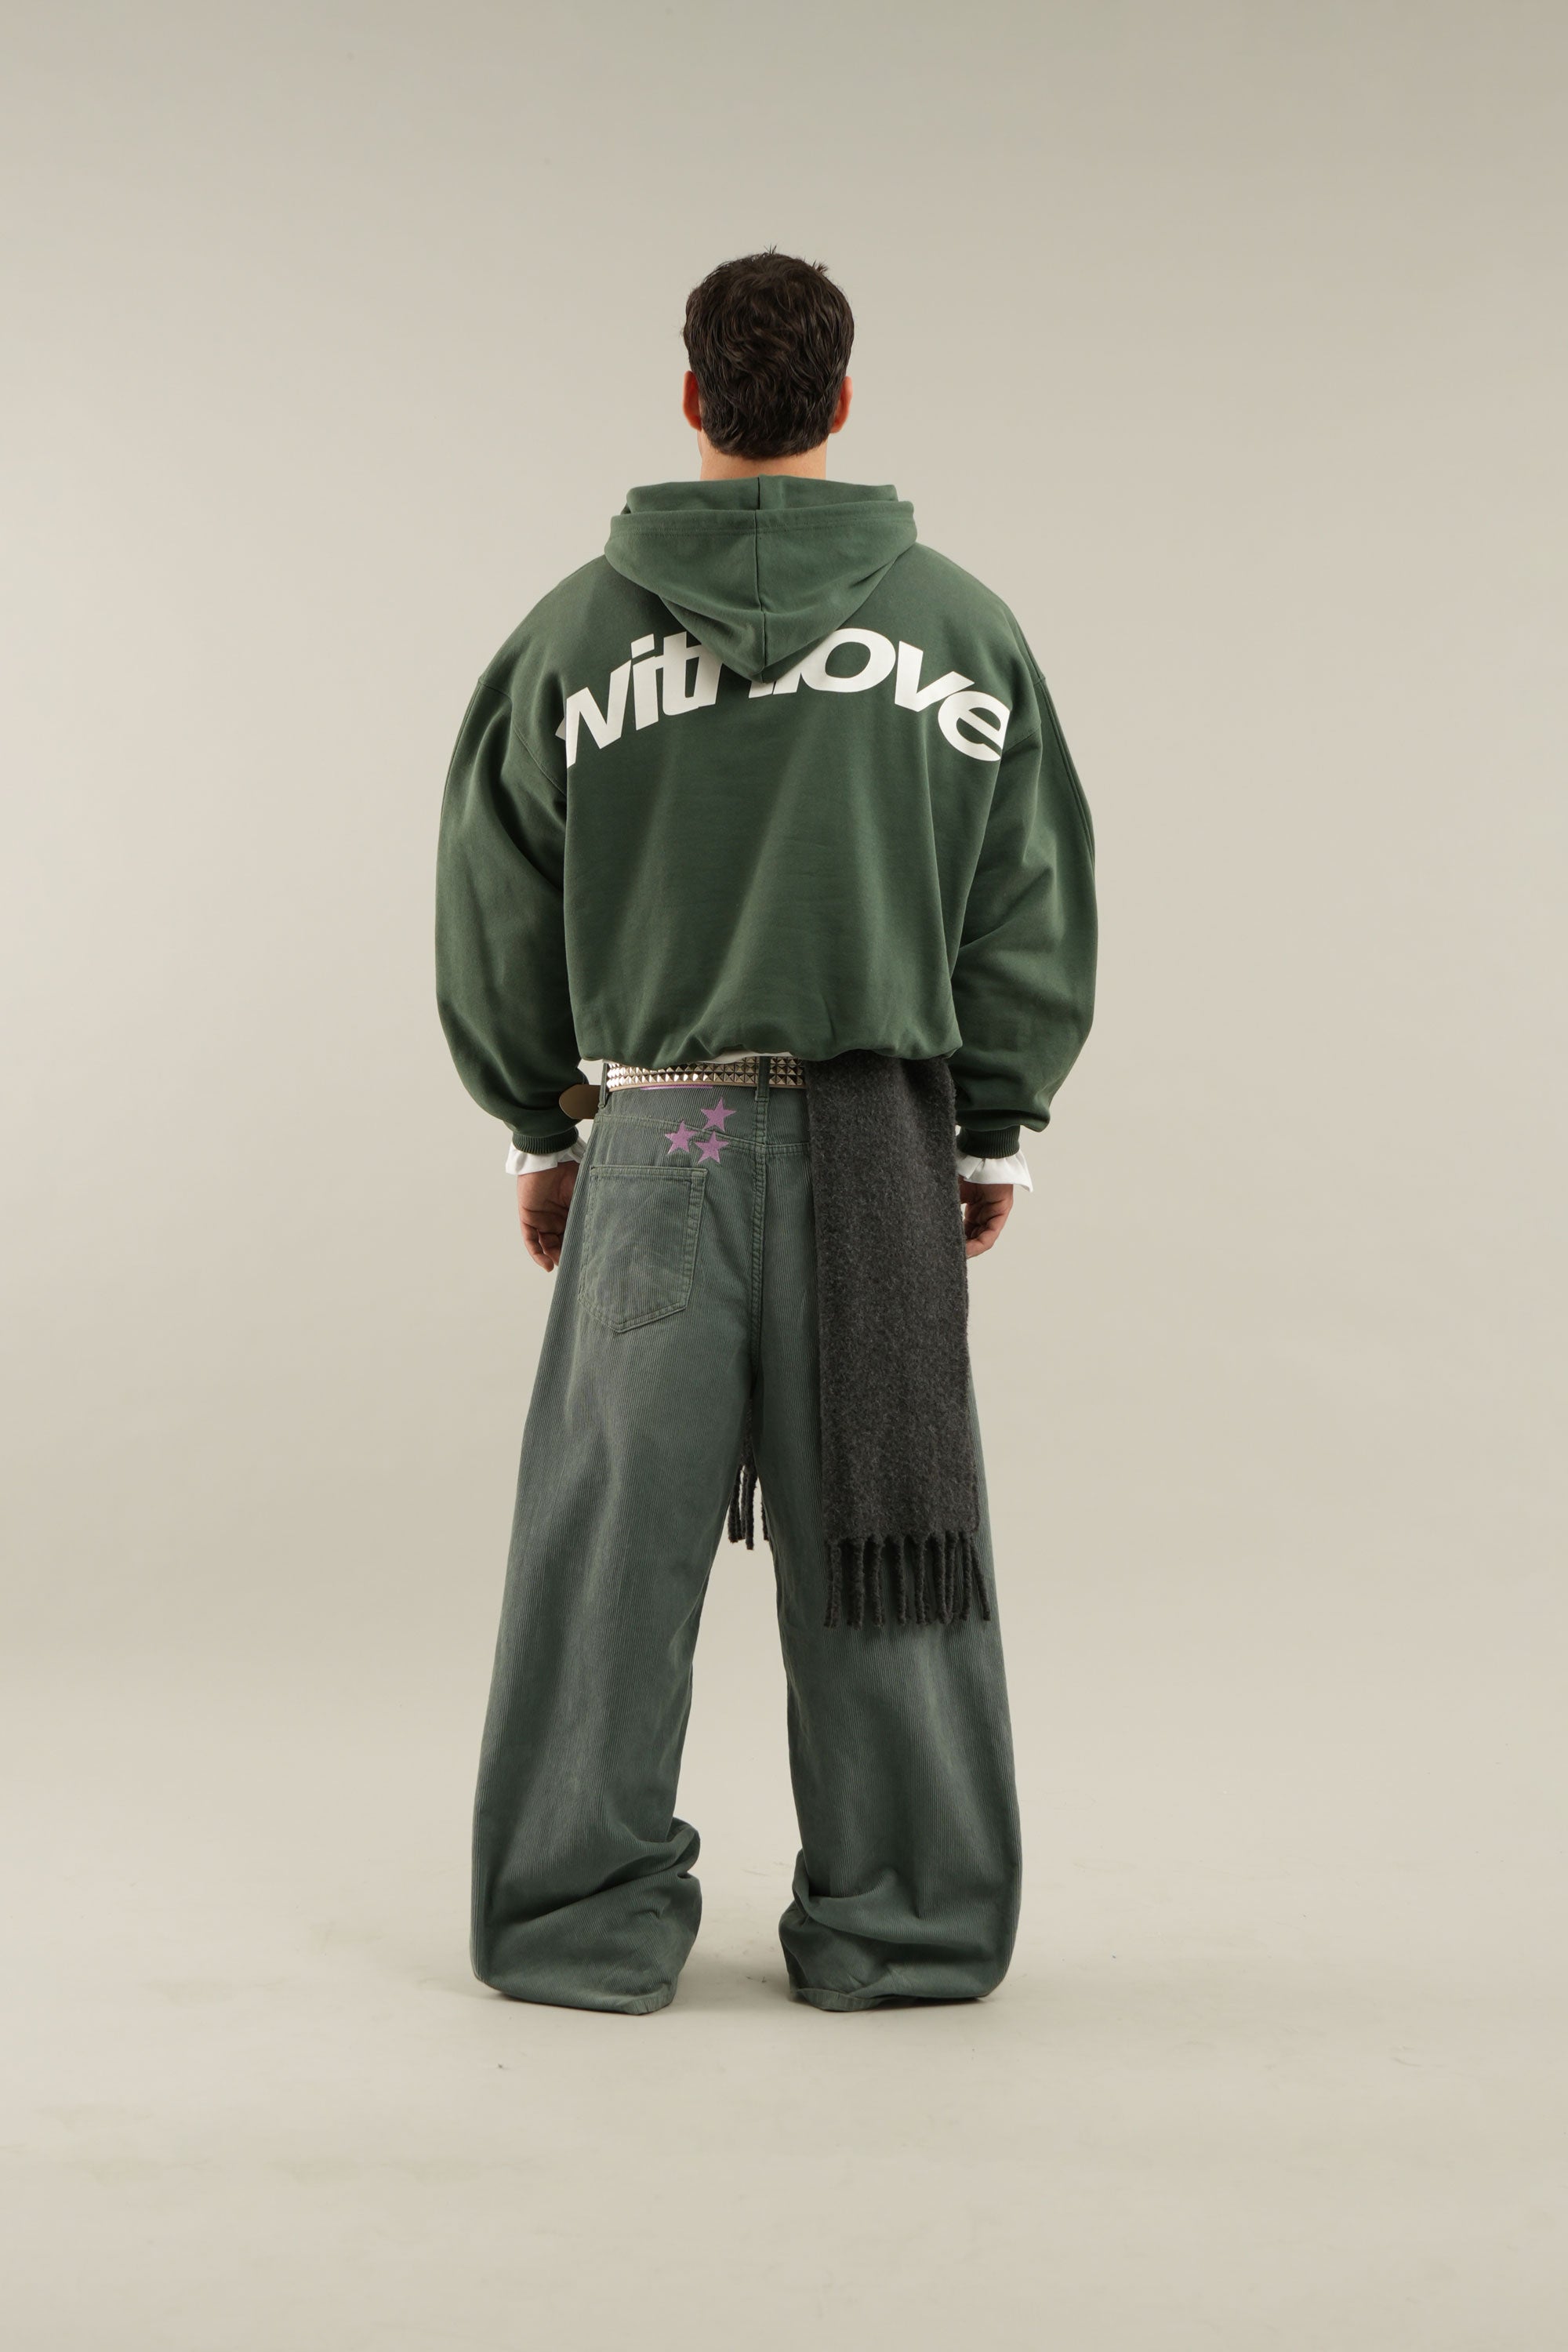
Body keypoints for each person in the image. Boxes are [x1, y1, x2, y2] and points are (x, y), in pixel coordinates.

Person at [436, 249, 1097, 2014]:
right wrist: (991, 1131)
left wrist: (537, 1128)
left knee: (605, 1555)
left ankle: (574, 1926)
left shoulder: (571, 639)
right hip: (877, 1150)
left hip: (662, 1144)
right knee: (894, 1548)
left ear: (690, 398)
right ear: (844, 402)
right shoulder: (960, 631)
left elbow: (497, 904)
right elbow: (1023, 901)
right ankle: (908, 1926)